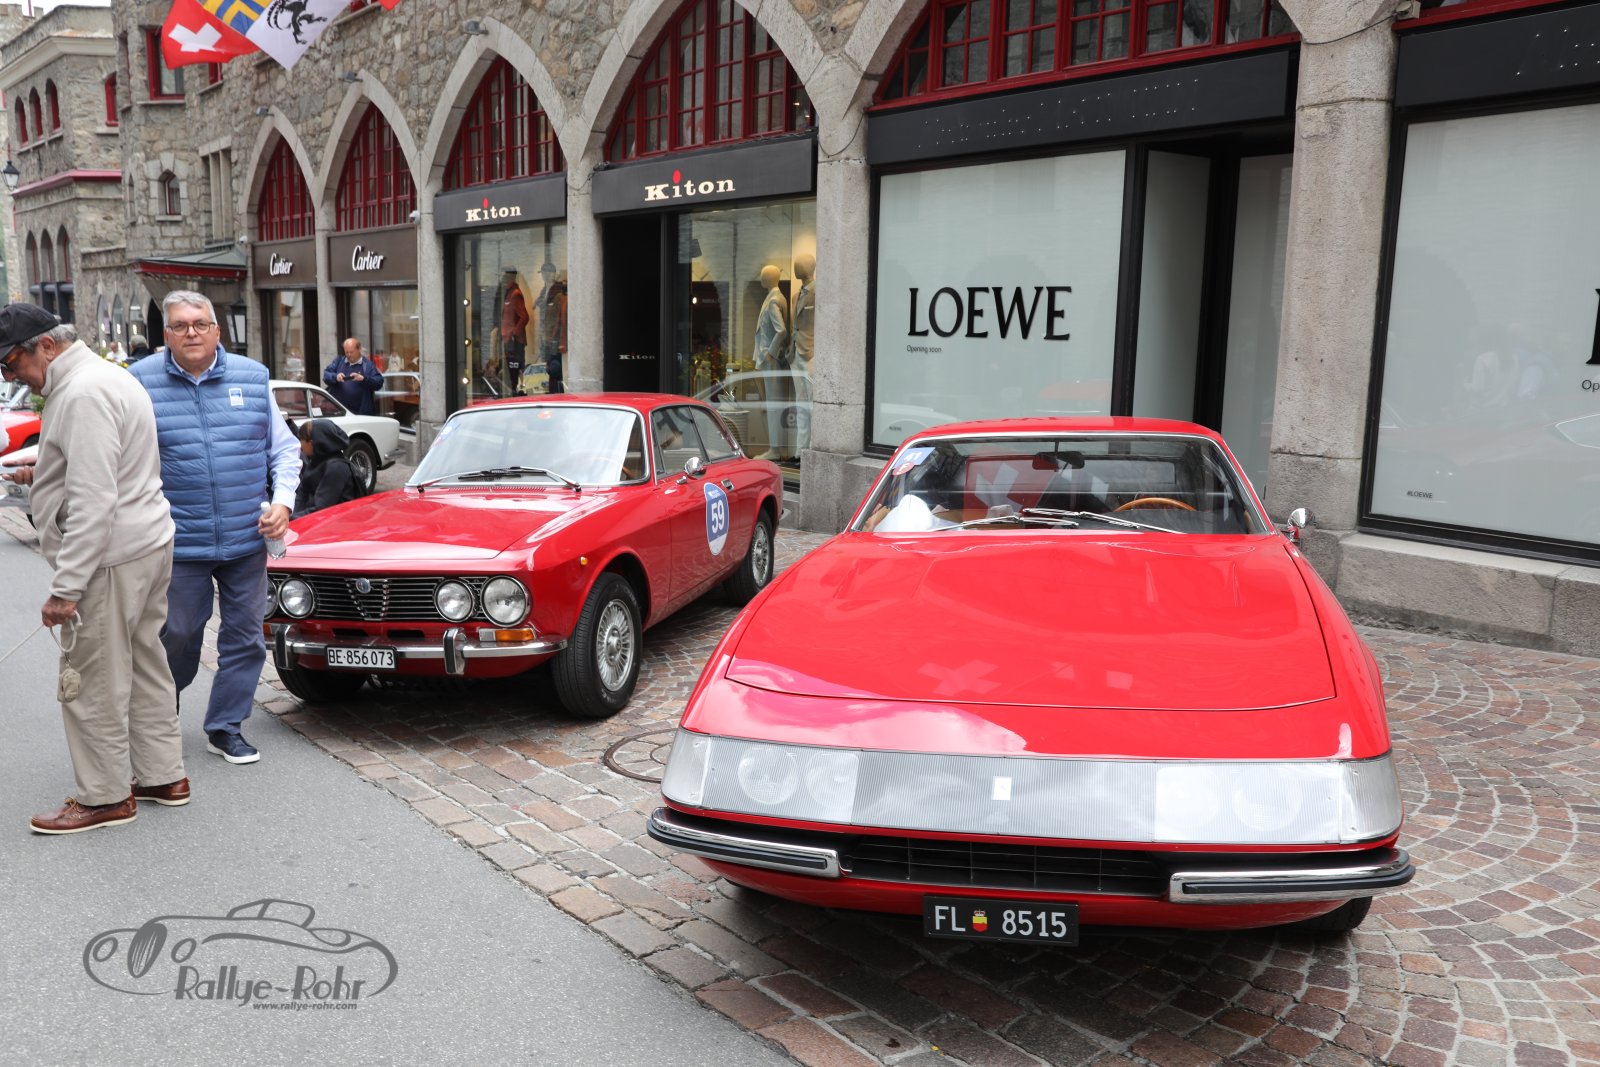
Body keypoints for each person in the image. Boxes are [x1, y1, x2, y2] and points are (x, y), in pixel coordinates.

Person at [0, 303, 189, 833]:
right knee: (145, 664)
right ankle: (163, 776)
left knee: (90, 679)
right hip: (143, 543)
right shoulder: (104, 377)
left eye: (11, 363)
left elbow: (94, 499)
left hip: (109, 557)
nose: (10, 377)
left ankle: (105, 796)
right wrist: (44, 470)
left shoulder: (81, 393)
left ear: (46, 346)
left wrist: (66, 588)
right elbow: (108, 469)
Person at [128, 290, 301, 766]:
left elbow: (284, 451)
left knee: (245, 637)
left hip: (247, 537)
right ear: (166, 334)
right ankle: (160, 711)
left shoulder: (253, 377)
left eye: (200, 324)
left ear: (216, 330)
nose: (192, 333)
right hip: (177, 540)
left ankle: (226, 726)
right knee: (178, 633)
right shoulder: (139, 382)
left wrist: (283, 502)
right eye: (180, 325)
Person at [751, 264, 790, 460]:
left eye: (762, 275)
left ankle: (775, 449)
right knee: (774, 403)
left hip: (770, 359)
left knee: (774, 404)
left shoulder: (774, 299)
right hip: (769, 358)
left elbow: (781, 330)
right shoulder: (774, 297)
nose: (760, 278)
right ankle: (778, 448)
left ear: (768, 278)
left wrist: (770, 353)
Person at [293, 418, 358, 517]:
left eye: (302, 440)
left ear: (312, 443)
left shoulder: (337, 468)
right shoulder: (315, 461)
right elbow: (302, 494)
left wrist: (291, 519)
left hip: (336, 520)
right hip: (312, 517)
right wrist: (294, 516)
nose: (300, 445)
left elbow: (321, 508)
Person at [323, 337, 384, 415]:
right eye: (346, 352)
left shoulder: (367, 365)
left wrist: (364, 379)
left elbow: (379, 382)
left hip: (359, 414)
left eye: (351, 352)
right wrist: (336, 377)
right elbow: (326, 375)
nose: (349, 355)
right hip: (338, 412)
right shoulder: (339, 361)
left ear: (359, 349)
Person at [499, 272, 529, 393]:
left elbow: (524, 317)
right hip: (508, 339)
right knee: (509, 369)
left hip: (514, 341)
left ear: (511, 276)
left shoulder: (515, 294)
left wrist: (514, 334)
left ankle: (517, 391)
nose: (502, 277)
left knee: (514, 369)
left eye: (505, 275)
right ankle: (512, 390)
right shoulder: (508, 293)